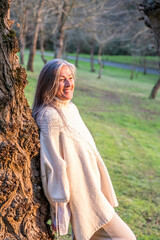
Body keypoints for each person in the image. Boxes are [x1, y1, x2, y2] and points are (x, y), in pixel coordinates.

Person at [32, 59, 136, 240]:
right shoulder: (50, 116)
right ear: (49, 84)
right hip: (85, 198)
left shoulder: (71, 108)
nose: (68, 84)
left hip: (94, 190)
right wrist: (59, 210)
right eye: (61, 79)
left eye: (70, 78)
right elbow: (53, 166)